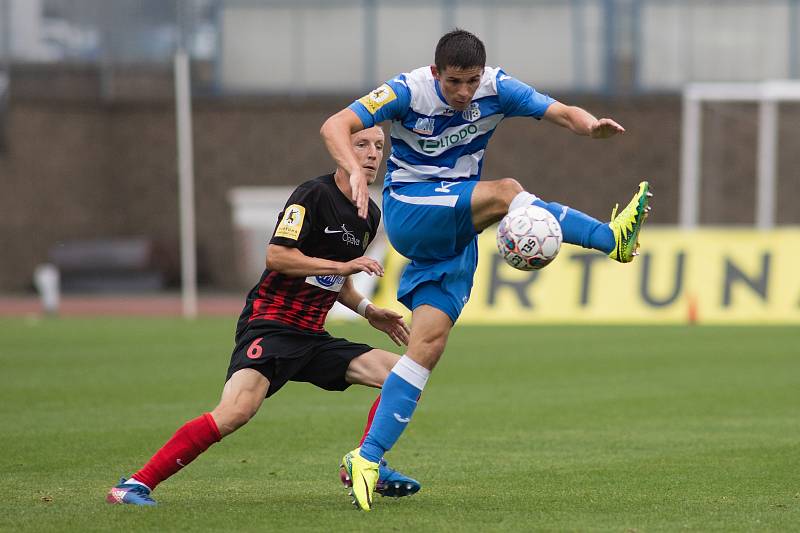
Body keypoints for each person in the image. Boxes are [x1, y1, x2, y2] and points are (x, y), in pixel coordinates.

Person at [321, 29, 653, 511]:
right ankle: (611, 240)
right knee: (507, 191)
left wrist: (589, 126)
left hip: (455, 230)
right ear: (436, 73)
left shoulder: (497, 87)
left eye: (471, 81)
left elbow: (560, 111)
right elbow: (335, 124)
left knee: (425, 348)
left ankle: (367, 457)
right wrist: (354, 168)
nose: (463, 92)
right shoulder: (406, 89)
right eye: (454, 82)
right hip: (412, 211)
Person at [106, 126, 422, 506]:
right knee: (235, 412)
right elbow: (278, 256)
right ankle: (134, 485)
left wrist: (368, 310)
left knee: (402, 374)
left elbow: (330, 280)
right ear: (342, 151)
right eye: (361, 145)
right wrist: (341, 267)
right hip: (271, 326)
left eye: (378, 146)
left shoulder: (368, 214)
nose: (372, 154)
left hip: (311, 336)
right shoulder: (313, 195)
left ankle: (366, 460)